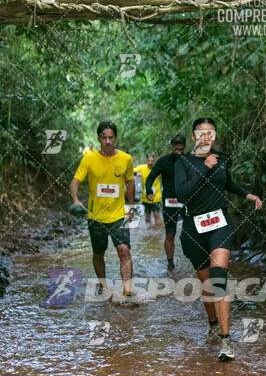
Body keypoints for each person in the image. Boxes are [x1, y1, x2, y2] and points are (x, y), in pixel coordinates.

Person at [174, 118, 262, 361]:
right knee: (207, 286)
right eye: (201, 133)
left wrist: (246, 194)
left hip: (220, 224)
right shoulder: (183, 162)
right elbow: (182, 194)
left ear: (215, 137)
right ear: (193, 137)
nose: (206, 137)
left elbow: (226, 182)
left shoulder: (222, 159)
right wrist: (205, 168)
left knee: (219, 279)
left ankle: (226, 340)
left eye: (210, 133)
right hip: (194, 229)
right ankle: (212, 322)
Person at [70, 121, 135, 298]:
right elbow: (76, 181)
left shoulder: (126, 159)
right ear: (99, 138)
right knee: (99, 253)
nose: (108, 141)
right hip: (96, 216)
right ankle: (103, 284)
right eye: (104, 137)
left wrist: (131, 205)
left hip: (119, 214)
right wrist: (75, 199)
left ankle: (127, 291)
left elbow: (130, 182)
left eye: (111, 137)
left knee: (124, 250)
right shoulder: (89, 158)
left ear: (115, 138)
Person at [145, 134, 186, 270]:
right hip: (170, 202)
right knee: (170, 233)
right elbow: (150, 178)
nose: (179, 152)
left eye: (181, 149)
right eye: (177, 150)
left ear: (184, 147)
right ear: (172, 147)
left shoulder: (189, 160)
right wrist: (149, 191)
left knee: (192, 233)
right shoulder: (163, 161)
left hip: (187, 201)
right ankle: (170, 263)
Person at [133, 154, 162, 227]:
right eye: (148, 160)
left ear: (155, 161)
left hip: (156, 196)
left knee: (156, 214)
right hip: (145, 196)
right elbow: (130, 171)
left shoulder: (158, 169)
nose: (150, 162)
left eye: (152, 161)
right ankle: (148, 233)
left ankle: (159, 231)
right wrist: (136, 173)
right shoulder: (142, 168)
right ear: (146, 160)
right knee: (147, 216)